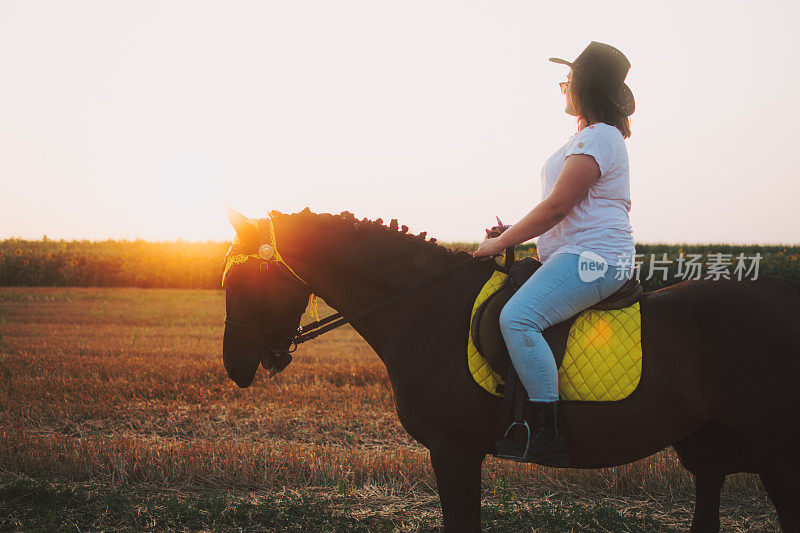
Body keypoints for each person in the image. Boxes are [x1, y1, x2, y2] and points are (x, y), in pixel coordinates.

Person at [472, 41, 637, 465]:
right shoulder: (585, 136)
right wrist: (514, 231)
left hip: (594, 259)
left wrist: (501, 243)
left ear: (583, 87)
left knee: (518, 317)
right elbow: (564, 210)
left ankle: (546, 431)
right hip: (573, 253)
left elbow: (557, 207)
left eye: (567, 82)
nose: (563, 89)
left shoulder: (599, 137)